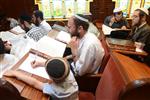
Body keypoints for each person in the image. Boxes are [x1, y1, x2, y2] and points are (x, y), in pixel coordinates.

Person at [4, 57, 79, 100]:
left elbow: (35, 83)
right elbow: (61, 62)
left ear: (50, 78)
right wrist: (40, 64)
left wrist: (15, 73)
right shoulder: (69, 74)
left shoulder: (55, 90)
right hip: (74, 96)